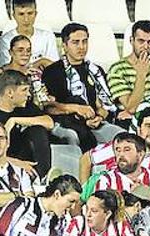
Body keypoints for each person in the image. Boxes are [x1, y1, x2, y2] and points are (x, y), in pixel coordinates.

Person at [41, 23, 125, 151]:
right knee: (72, 136)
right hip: (65, 123)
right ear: (65, 45)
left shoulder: (95, 71)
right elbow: (48, 107)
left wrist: (99, 117)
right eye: (75, 42)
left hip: (94, 123)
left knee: (121, 136)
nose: (81, 47)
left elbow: (105, 105)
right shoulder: (52, 72)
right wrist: (75, 108)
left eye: (84, 41)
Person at [0, 71, 54, 177]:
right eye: (24, 90)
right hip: (1, 164)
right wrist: (16, 163)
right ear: (10, 92)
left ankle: (43, 178)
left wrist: (14, 120)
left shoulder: (27, 107)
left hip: (29, 162)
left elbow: (49, 123)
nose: (28, 94)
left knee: (38, 130)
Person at [57, 189, 139, 236]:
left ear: (107, 214)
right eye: (87, 209)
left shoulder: (120, 226)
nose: (88, 214)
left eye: (94, 211)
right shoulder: (77, 223)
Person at [107, 20, 150, 114]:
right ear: (131, 40)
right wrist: (141, 74)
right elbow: (130, 108)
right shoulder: (117, 70)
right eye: (141, 41)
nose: (146, 46)